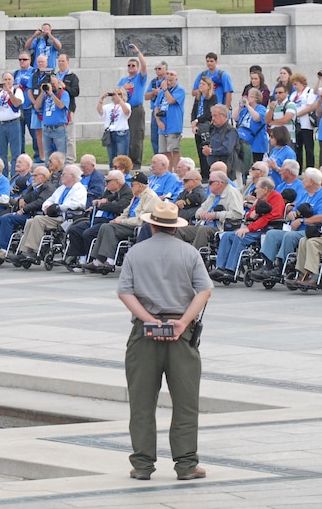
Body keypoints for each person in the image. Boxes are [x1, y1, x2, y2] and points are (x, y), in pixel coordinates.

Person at [117, 200, 211, 482]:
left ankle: (143, 465)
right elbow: (204, 290)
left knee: (142, 402)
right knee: (185, 401)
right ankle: (186, 464)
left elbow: (125, 292)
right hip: (181, 332)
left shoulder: (136, 252)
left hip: (145, 332)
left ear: (152, 224)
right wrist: (183, 322)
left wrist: (147, 318)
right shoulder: (190, 252)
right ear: (174, 227)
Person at [0, 72, 24, 176]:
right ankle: (3, 175)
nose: (7, 81)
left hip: (13, 123)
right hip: (0, 124)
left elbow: (17, 103)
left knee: (15, 152)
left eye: (9, 79)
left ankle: (14, 176)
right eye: (5, 79)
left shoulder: (17, 91)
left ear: (13, 81)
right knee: (2, 153)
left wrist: (10, 93)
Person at [118, 45, 148, 165]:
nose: (131, 67)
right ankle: (125, 161)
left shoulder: (139, 78)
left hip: (136, 110)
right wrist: (122, 88)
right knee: (124, 136)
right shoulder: (123, 80)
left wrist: (137, 52)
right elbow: (116, 93)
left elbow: (145, 65)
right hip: (124, 110)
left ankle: (135, 162)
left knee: (136, 137)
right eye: (129, 65)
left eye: (133, 65)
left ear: (137, 67)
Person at [154, 69, 186, 171]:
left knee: (174, 150)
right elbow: (156, 107)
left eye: (172, 74)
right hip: (163, 126)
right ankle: (168, 171)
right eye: (167, 74)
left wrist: (165, 90)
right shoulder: (161, 93)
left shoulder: (180, 91)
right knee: (165, 151)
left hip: (174, 125)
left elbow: (171, 101)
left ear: (176, 78)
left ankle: (177, 171)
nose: (169, 76)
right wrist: (158, 121)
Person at [36, 73, 70, 158]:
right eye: (50, 84)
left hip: (59, 129)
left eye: (53, 84)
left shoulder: (63, 94)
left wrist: (51, 94)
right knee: (47, 155)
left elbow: (61, 105)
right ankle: (48, 170)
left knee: (60, 155)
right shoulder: (45, 95)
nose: (51, 86)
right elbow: (36, 106)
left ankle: (60, 171)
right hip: (46, 128)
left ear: (58, 83)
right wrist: (42, 92)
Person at [290, 73, 319, 169]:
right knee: (298, 148)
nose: (295, 86)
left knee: (308, 148)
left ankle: (310, 168)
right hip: (296, 125)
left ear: (302, 83)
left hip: (306, 124)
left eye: (296, 84)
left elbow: (309, 107)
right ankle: (298, 168)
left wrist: (297, 114)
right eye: (293, 84)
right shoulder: (293, 95)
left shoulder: (309, 92)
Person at [55, 54, 81, 161]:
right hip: (56, 109)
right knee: (57, 136)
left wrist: (65, 87)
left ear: (68, 62)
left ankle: (70, 158)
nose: (61, 63)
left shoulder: (72, 77)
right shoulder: (54, 76)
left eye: (63, 61)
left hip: (68, 109)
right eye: (59, 61)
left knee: (69, 136)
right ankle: (58, 158)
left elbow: (76, 92)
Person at [191, 76, 217, 180]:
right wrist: (193, 122)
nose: (200, 85)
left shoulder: (212, 98)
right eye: (200, 84)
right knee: (199, 149)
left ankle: (207, 171)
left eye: (203, 84)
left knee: (205, 148)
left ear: (208, 86)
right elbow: (194, 111)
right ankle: (203, 170)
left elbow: (208, 113)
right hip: (197, 126)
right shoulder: (198, 98)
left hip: (206, 126)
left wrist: (197, 121)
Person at [99, 86, 131, 167]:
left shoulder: (126, 105)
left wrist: (120, 100)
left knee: (121, 159)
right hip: (110, 133)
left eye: (118, 94)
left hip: (121, 133)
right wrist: (102, 99)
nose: (115, 96)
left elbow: (127, 112)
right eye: (114, 94)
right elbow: (100, 111)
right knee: (111, 158)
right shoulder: (108, 106)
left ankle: (122, 175)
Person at [144, 62, 168, 158]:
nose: (157, 71)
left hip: (166, 111)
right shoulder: (153, 82)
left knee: (166, 137)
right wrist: (154, 93)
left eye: (159, 68)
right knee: (154, 137)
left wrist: (159, 92)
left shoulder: (168, 81)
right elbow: (146, 96)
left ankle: (166, 160)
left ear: (165, 69)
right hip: (155, 111)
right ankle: (157, 158)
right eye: (156, 69)